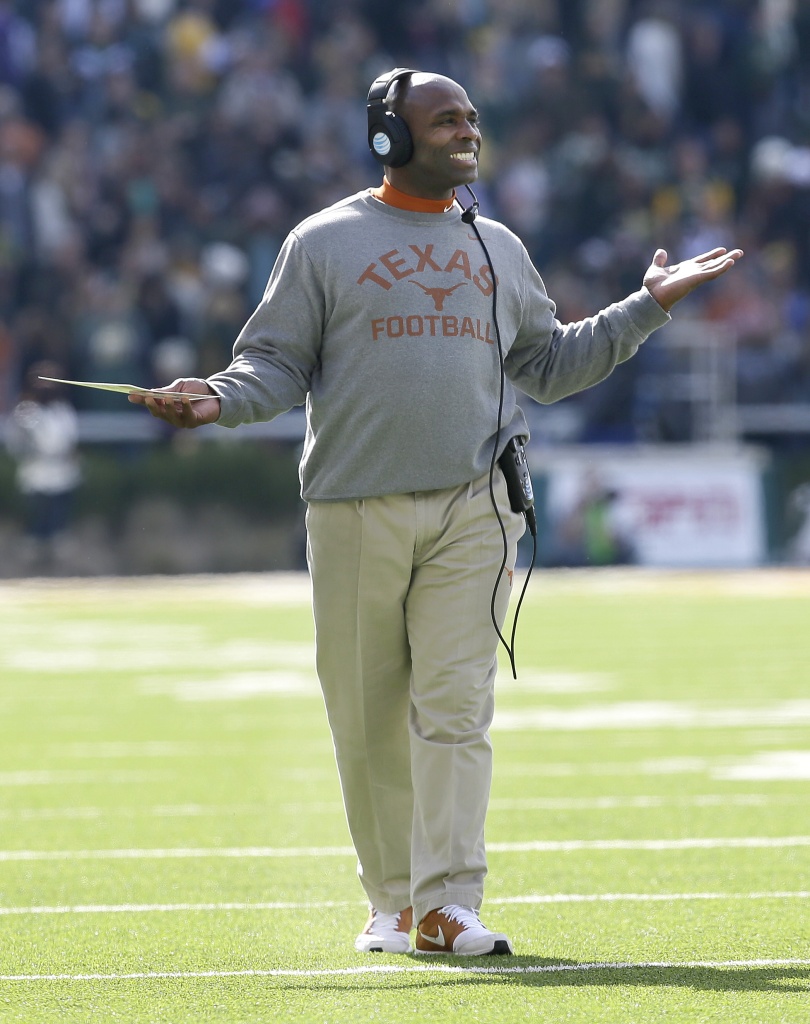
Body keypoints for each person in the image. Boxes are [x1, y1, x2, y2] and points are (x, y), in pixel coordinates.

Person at [129, 69, 743, 956]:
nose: (467, 130)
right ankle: (392, 902)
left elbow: (552, 364)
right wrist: (217, 400)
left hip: (475, 505)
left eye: (471, 117)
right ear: (389, 136)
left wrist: (646, 308)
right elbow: (272, 364)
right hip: (353, 507)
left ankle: (449, 903)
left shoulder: (498, 244)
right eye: (445, 118)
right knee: (367, 717)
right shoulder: (324, 241)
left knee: (456, 708)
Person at [6, 363, 82, 572]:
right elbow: (18, 444)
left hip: (61, 473)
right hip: (36, 473)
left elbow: (71, 441)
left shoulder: (63, 411)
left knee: (58, 520)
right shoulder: (26, 411)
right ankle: (31, 563)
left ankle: (59, 567)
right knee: (37, 517)